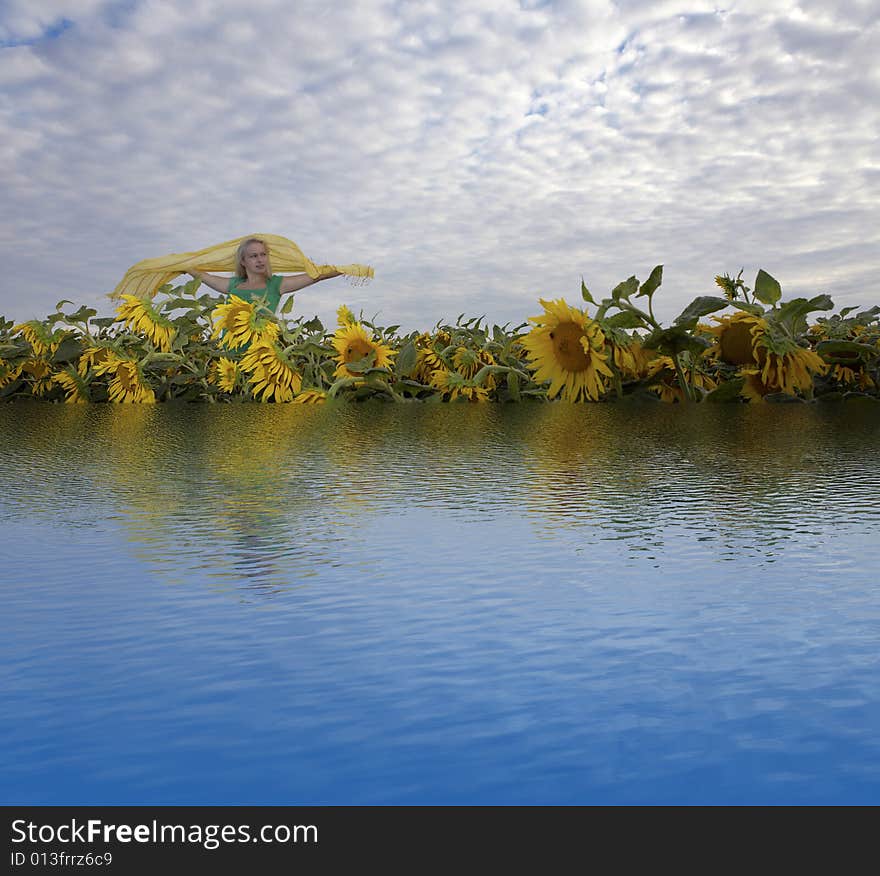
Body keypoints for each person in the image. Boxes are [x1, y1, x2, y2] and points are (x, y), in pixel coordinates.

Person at [187, 237, 342, 313]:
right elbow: (201, 275)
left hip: (263, 359)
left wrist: (346, 269)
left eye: (263, 255)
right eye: (254, 256)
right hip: (230, 357)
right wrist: (179, 265)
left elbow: (318, 276)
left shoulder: (276, 284)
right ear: (243, 261)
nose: (260, 260)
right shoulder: (232, 285)